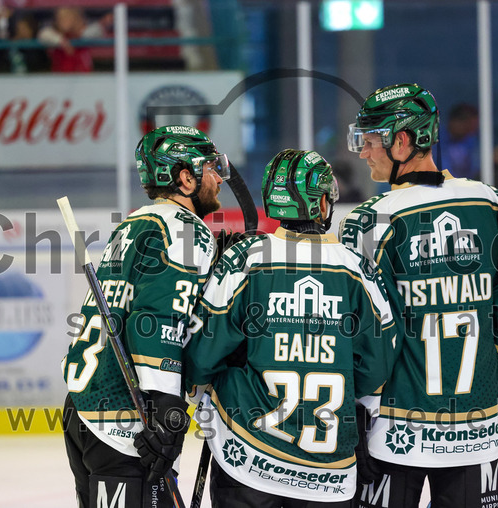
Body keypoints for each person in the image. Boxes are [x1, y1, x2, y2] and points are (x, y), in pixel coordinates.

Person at [340, 83, 498, 508]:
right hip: (481, 429)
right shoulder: (492, 204)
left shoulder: (370, 222)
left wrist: (356, 411)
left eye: (369, 141)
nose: (363, 152)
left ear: (402, 141)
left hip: (392, 430)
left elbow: (365, 337)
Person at [184, 148, 400, 507]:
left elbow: (202, 355)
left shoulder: (246, 259)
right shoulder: (355, 267)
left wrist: (210, 384)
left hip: (246, 460)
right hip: (328, 474)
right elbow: (378, 365)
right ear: (321, 204)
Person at [62, 125, 230, 507]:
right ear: (186, 178)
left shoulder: (135, 223)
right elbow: (157, 318)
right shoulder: (185, 230)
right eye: (211, 168)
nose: (219, 178)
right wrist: (165, 404)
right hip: (127, 418)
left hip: (83, 405)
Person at [38, 7, 112, 72]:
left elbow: (97, 31)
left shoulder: (82, 35)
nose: (64, 21)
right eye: (60, 18)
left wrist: (104, 23)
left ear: (75, 19)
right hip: (60, 78)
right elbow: (43, 34)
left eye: (67, 18)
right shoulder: (56, 35)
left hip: (82, 77)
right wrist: (61, 41)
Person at [439, 103, 480, 180]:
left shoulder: (470, 140)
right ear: (454, 122)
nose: (471, 132)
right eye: (468, 126)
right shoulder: (436, 140)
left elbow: (476, 167)